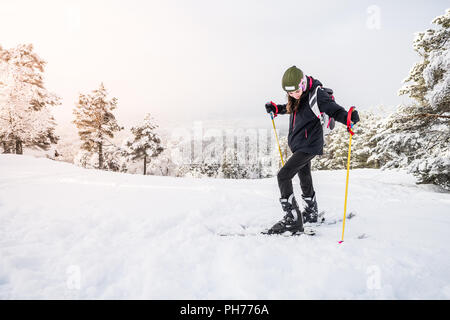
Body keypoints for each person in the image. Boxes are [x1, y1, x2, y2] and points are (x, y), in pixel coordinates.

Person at [264, 65, 359, 235]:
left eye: (296, 91)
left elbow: (334, 110)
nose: (294, 95)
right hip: (300, 144)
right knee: (304, 175)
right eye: (290, 93)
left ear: (303, 82)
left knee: (283, 175)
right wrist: (276, 109)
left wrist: (348, 118)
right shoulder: (297, 95)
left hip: (310, 144)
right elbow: (292, 108)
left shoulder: (317, 94)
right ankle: (310, 212)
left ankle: (293, 220)